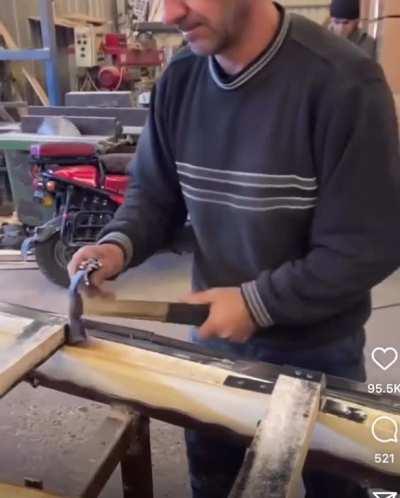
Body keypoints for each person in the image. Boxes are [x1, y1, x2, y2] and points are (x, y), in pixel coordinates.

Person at [68, 1, 400, 497]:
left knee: (336, 485)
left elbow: (367, 244)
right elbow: (154, 196)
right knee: (215, 479)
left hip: (319, 350)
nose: (172, 12)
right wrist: (118, 244)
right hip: (214, 337)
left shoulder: (344, 85)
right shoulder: (180, 78)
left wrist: (256, 302)